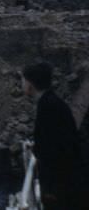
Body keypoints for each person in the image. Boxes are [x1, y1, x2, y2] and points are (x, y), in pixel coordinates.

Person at [22, 62, 82, 210]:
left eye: (22, 80)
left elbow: (52, 151)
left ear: (30, 84)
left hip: (59, 186)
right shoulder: (52, 103)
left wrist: (51, 188)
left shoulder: (48, 107)